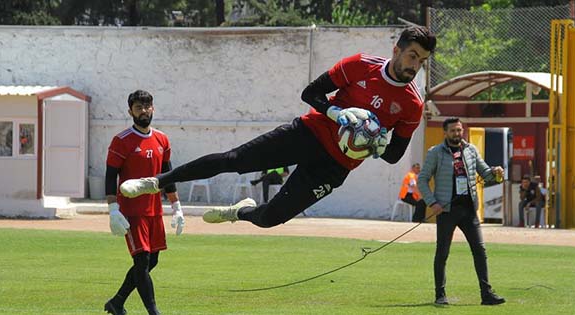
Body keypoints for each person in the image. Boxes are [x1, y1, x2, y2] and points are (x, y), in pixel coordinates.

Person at [119, 26, 436, 230]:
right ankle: (156, 182)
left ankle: (238, 213)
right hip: (309, 134)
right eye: (412, 56)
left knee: (270, 219)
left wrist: (373, 141)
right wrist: (337, 112)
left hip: (335, 166)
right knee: (233, 160)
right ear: (396, 50)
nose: (414, 65)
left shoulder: (412, 104)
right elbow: (309, 94)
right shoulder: (360, 65)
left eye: (421, 61)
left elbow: (394, 155)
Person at [104, 90, 185, 315]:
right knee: (142, 261)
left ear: (153, 109)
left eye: (147, 107)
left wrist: (176, 207)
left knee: (152, 262)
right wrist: (113, 209)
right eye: (138, 107)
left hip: (154, 210)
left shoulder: (162, 139)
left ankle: (117, 302)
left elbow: (167, 175)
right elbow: (111, 175)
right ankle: (153, 311)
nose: (144, 111)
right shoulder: (121, 141)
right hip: (131, 212)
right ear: (130, 111)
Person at [417, 117, 506, 306]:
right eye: (453, 131)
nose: (457, 134)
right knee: (442, 253)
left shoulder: (471, 150)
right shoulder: (435, 153)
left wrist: (497, 173)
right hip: (446, 211)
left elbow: (486, 175)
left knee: (480, 251)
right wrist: (432, 203)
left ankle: (486, 294)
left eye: (459, 130)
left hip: (469, 210)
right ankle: (440, 295)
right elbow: (422, 180)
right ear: (445, 132)